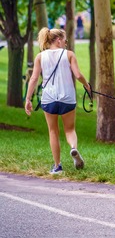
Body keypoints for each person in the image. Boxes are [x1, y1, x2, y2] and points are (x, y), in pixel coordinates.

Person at [24, 28, 91, 175]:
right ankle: (73, 148)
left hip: (49, 99)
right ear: (59, 40)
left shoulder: (40, 57)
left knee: (53, 131)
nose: (66, 42)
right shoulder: (69, 54)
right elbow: (78, 75)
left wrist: (28, 98)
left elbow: (34, 78)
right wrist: (87, 85)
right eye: (65, 40)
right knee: (70, 129)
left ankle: (57, 166)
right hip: (67, 98)